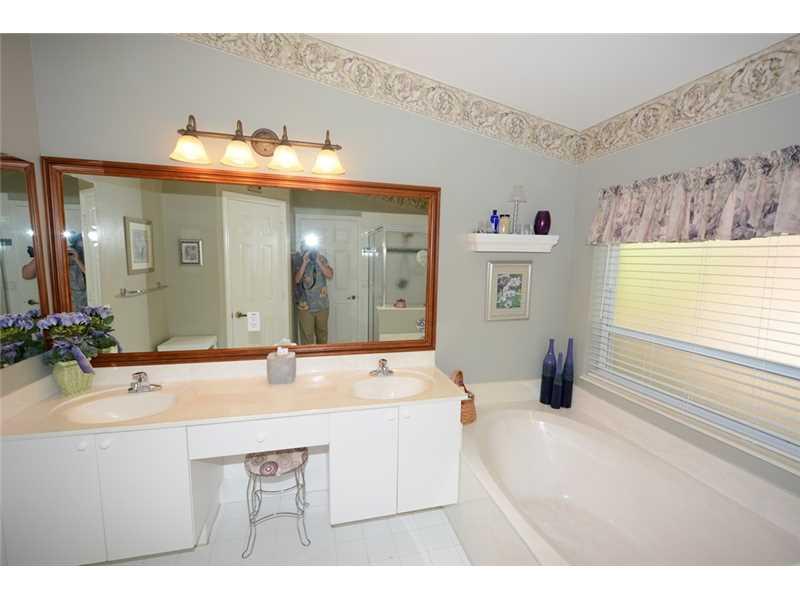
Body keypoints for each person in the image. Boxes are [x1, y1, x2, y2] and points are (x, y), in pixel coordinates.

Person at [291, 240, 334, 345]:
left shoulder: (322, 259)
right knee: (307, 337)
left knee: (322, 335)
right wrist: (304, 263)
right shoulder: (298, 260)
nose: (308, 250)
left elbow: (330, 275)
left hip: (322, 305)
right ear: (302, 248)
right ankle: (308, 356)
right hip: (304, 306)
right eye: (305, 247)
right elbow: (296, 280)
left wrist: (318, 261)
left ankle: (321, 355)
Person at [66, 232, 87, 309]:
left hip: (88, 291)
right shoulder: (70, 252)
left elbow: (89, 274)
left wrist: (77, 260)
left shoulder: (89, 254)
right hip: (77, 294)